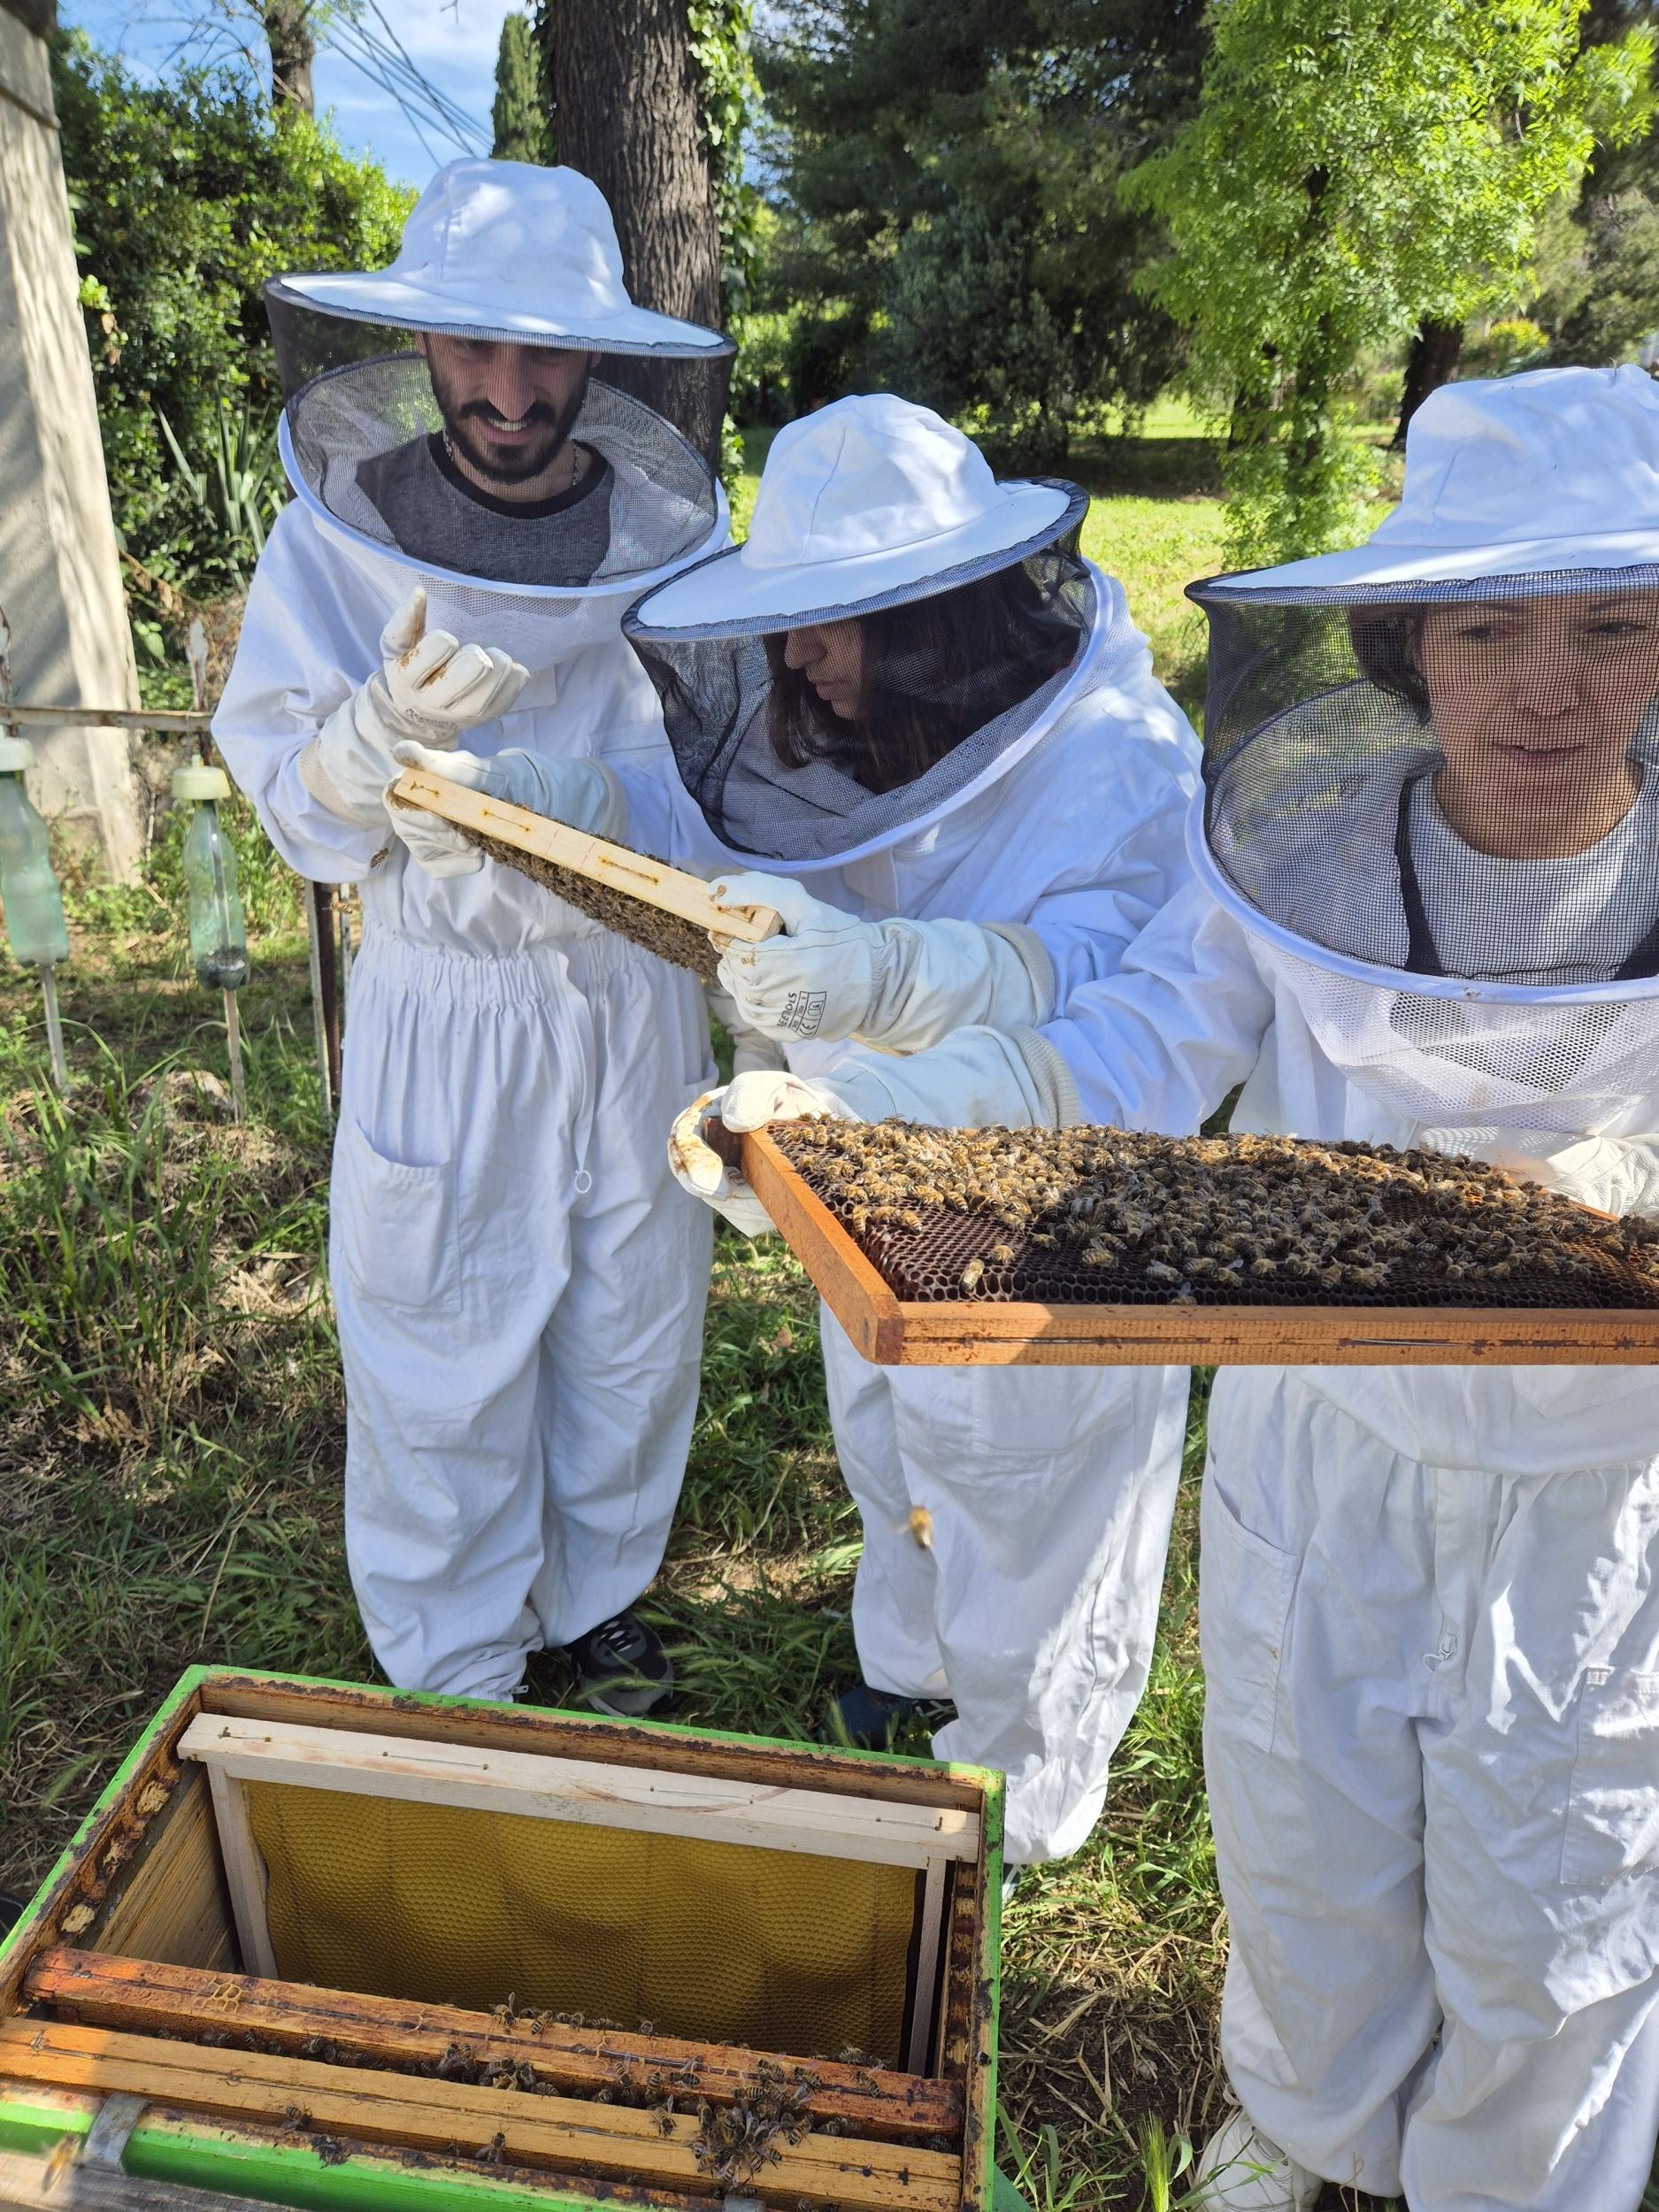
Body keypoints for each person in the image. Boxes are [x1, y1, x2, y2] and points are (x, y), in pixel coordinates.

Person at [680, 364, 1659, 2211]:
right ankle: (1298, 2122)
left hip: (1597, 1488)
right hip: (1316, 1436)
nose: (1547, 685)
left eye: (1610, 625)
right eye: (1488, 626)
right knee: (1303, 1823)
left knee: (1563, 1887)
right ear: (1401, 644)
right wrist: (873, 1122)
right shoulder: (1287, 847)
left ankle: (1505, 2178)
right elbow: (1128, 1045)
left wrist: (1625, 1188)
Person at [560, 392, 1201, 1872]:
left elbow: (1130, 993)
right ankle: (911, 1667)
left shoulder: (1120, 751)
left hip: (1056, 1206)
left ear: (942, 618)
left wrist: (909, 985)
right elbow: (741, 852)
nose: (800, 658)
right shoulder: (834, 722)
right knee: (891, 1429)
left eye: (836, 623)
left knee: (1037, 1485)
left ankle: (1022, 1786)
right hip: (874, 1167)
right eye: (789, 621)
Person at [213, 158, 733, 1715]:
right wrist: (373, 741)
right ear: (421, 343)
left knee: (630, 1324)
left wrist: (585, 799)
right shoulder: (332, 537)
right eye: (475, 349)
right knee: (441, 1333)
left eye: (545, 352)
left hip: (635, 987)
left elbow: (729, 786)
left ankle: (598, 1606)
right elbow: (301, 817)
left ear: (599, 354)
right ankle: (455, 1662)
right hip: (446, 996)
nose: (510, 391)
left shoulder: (678, 541)